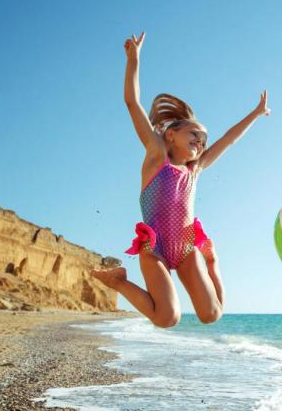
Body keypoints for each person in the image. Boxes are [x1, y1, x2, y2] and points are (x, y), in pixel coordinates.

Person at [91, 32, 269, 327]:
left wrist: (255, 113)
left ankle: (213, 263)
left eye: (203, 140)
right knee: (167, 317)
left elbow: (228, 141)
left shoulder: (195, 169)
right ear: (171, 135)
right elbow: (132, 103)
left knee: (212, 314)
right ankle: (119, 282)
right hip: (155, 247)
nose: (201, 143)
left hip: (187, 247)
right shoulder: (156, 154)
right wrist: (134, 60)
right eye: (194, 135)